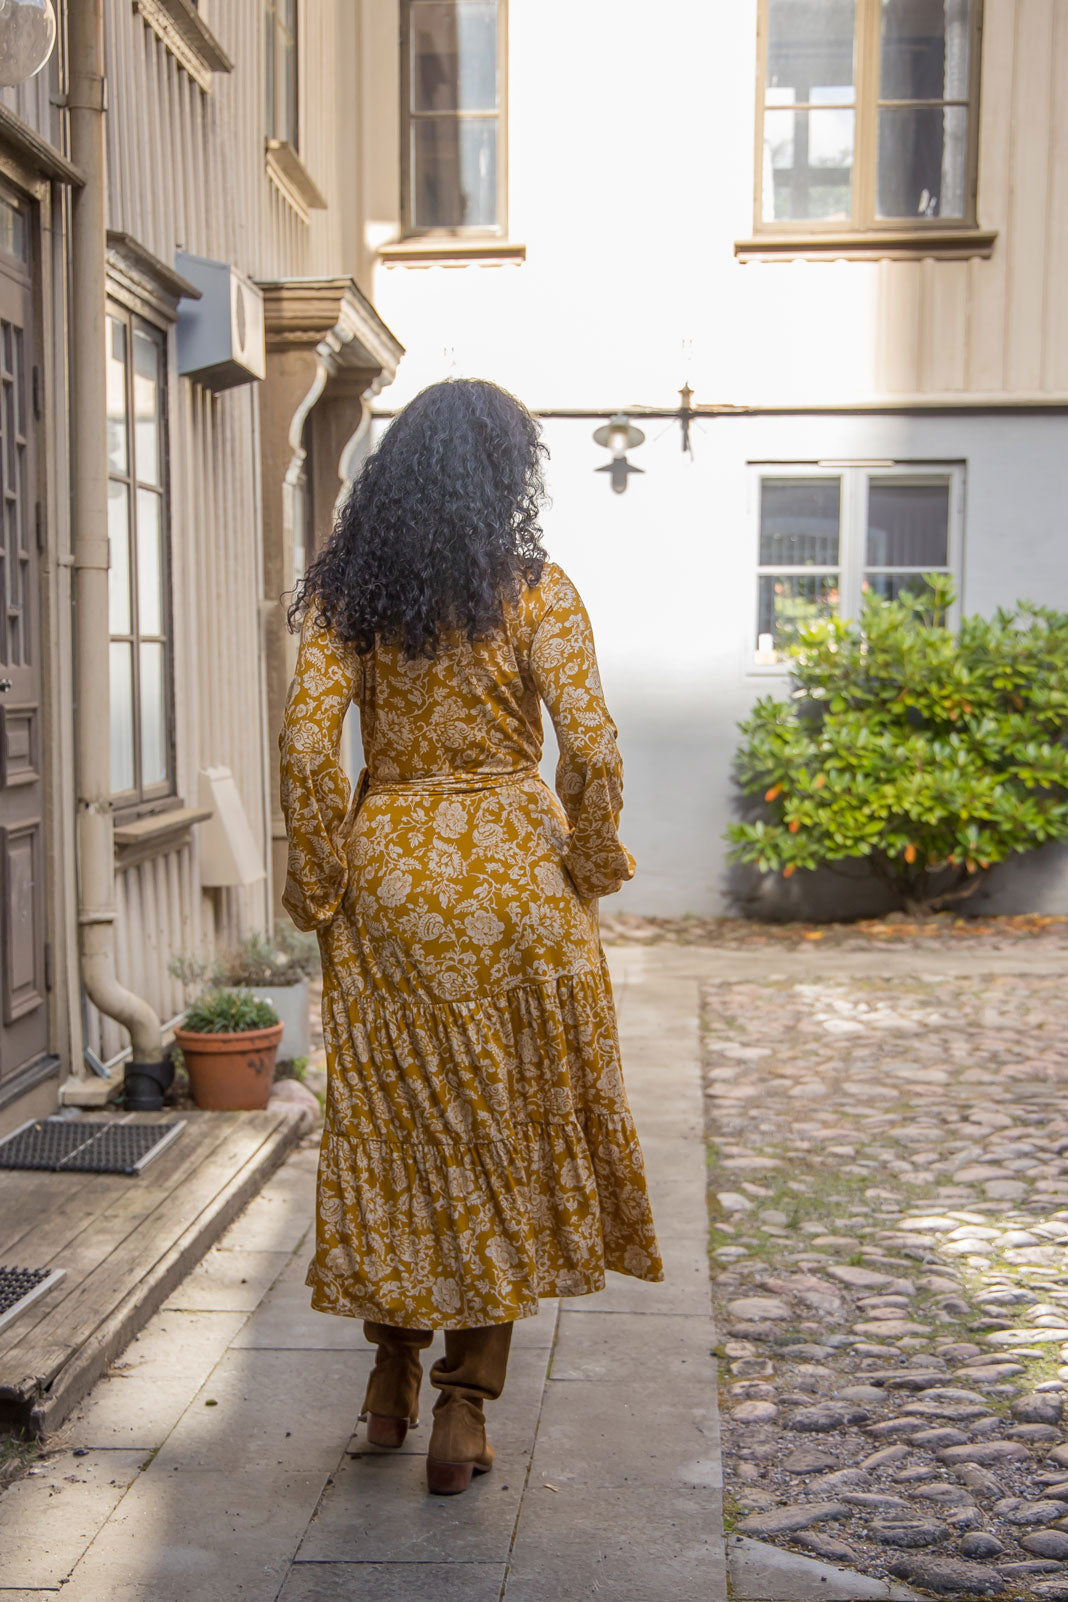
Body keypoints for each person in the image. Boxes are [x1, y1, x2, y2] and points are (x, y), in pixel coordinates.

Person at [279, 377, 662, 1496]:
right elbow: (591, 749)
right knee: (500, 1125)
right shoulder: (537, 592)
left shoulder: (347, 601)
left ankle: (387, 1384)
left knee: (400, 1129)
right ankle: (464, 1411)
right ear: (507, 477)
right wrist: (589, 862)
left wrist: (321, 883)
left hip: (393, 878)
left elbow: (307, 757)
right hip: (513, 883)